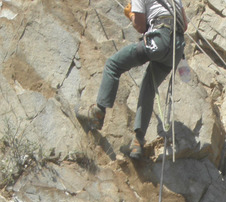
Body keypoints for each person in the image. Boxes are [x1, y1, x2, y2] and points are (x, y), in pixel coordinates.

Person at [77, 0, 188, 159]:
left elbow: (141, 27)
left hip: (159, 40)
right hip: (176, 48)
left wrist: (131, 15)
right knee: (149, 88)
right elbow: (184, 25)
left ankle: (98, 114)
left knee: (113, 65)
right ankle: (138, 142)